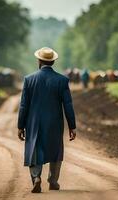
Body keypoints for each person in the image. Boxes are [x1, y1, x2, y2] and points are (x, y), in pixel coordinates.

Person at [17, 47, 76, 193]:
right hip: (55, 122)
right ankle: (53, 181)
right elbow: (68, 105)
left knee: (34, 148)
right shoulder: (62, 80)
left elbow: (24, 105)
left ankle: (36, 178)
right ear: (53, 62)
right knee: (56, 150)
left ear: (39, 60)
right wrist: (72, 126)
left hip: (34, 122)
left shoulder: (29, 79)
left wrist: (20, 126)